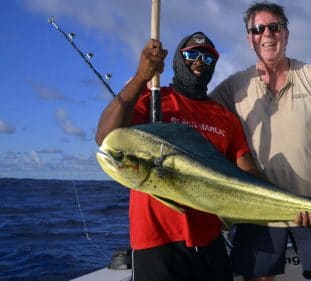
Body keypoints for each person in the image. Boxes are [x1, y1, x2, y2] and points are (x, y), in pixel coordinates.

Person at [210, 2, 311, 281]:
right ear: (249, 39)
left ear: (286, 33)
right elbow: (198, 114)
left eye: (275, 27)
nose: (267, 34)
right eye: (258, 29)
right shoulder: (233, 87)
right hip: (258, 205)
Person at [95, 32, 259, 281]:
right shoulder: (154, 100)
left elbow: (249, 174)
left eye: (207, 57)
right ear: (178, 60)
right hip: (157, 243)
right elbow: (105, 138)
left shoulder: (225, 118)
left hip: (210, 243)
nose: (199, 61)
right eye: (191, 54)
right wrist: (141, 77)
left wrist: (294, 205)